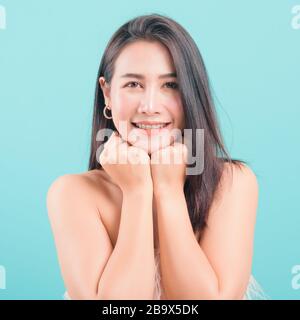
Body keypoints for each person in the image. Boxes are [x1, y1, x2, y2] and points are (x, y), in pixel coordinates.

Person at [47, 13, 269, 300]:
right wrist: (137, 191)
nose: (150, 106)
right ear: (107, 93)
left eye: (171, 85)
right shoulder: (73, 193)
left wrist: (168, 190)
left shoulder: (232, 183)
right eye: (133, 85)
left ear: (192, 93)